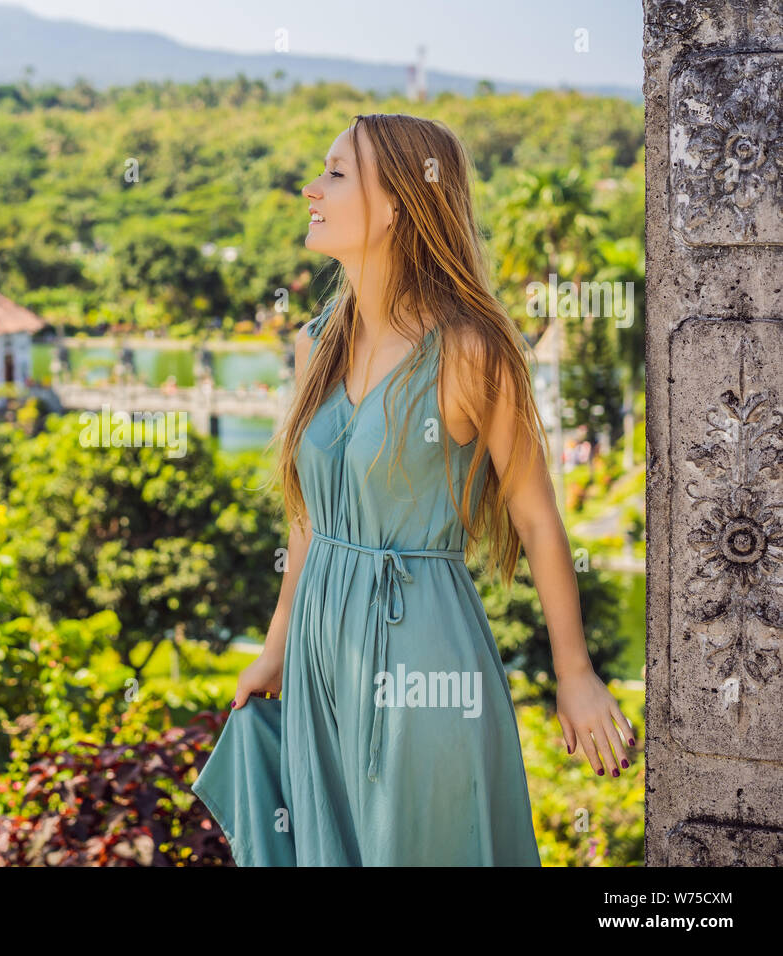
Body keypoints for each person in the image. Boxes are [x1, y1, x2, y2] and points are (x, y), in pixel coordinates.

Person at [191, 113, 636, 866]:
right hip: (318, 656)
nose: (310, 189)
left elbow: (535, 513)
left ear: (396, 204)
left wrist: (576, 673)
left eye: (335, 174)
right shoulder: (315, 341)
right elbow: (308, 522)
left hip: (423, 655)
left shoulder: (468, 348)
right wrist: (275, 649)